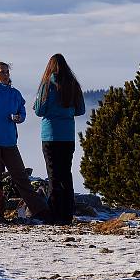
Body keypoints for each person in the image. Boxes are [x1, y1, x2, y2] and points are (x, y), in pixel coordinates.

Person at [0, 61, 51, 222]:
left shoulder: (14, 93)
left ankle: (40, 210)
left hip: (9, 141)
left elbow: (22, 112)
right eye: (2, 72)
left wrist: (19, 118)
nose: (6, 75)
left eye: (7, 72)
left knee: (21, 176)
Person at [33, 54, 85, 225]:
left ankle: (54, 214)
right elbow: (81, 110)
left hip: (50, 135)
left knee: (53, 176)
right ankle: (67, 214)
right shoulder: (73, 84)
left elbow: (39, 110)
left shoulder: (47, 85)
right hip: (68, 136)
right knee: (66, 174)